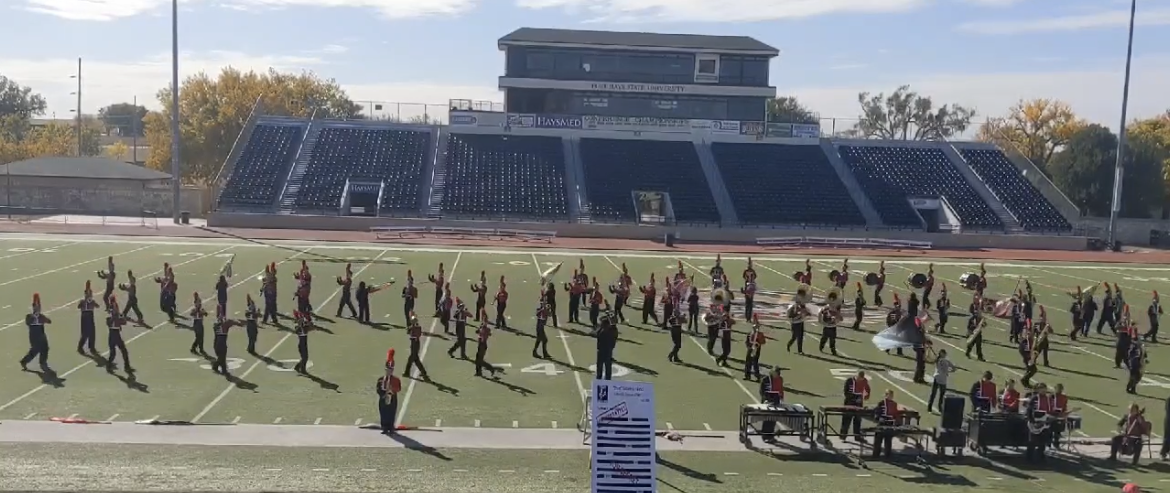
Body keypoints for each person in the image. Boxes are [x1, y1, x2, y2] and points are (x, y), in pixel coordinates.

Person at [21, 293, 52, 372]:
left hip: (42, 335)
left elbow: (49, 321)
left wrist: (44, 319)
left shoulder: (41, 316)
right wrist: (35, 317)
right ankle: (24, 361)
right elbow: (28, 322)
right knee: (35, 350)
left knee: (45, 348)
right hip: (34, 336)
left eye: (39, 307)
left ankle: (42, 362)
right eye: (36, 307)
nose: (38, 309)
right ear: (33, 308)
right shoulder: (29, 316)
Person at [376, 349, 402, 434]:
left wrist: (392, 389)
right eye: (387, 370)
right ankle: (384, 427)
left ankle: (390, 427)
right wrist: (383, 393)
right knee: (383, 413)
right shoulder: (381, 379)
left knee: (391, 412)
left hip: (392, 398)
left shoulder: (396, 379)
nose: (389, 371)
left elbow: (399, 389)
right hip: (383, 398)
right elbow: (377, 389)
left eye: (390, 370)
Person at [841, 370, 869, 442]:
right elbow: (846, 392)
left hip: (859, 402)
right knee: (846, 419)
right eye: (859, 378)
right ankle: (843, 436)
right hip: (849, 402)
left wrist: (866, 395)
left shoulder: (864, 381)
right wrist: (853, 398)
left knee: (858, 420)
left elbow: (867, 389)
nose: (860, 380)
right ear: (857, 376)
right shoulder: (849, 380)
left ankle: (857, 436)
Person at [871, 390, 900, 459]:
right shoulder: (881, 403)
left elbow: (895, 414)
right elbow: (877, 412)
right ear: (886, 395)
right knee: (878, 440)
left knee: (888, 440)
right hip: (882, 423)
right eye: (889, 395)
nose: (891, 396)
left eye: (891, 395)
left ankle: (888, 455)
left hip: (890, 424)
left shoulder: (894, 404)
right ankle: (875, 455)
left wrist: (896, 421)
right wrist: (879, 418)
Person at [928, 349, 955, 414]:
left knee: (940, 395)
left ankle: (938, 408)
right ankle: (930, 407)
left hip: (942, 379)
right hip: (938, 378)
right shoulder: (940, 360)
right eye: (944, 353)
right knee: (934, 394)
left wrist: (949, 370)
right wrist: (949, 371)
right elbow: (947, 368)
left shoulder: (945, 360)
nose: (945, 354)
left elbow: (953, 368)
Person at [77, 281, 99, 354]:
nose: (90, 295)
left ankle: (92, 347)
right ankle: (80, 347)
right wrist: (84, 302)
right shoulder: (82, 301)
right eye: (89, 294)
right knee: (85, 333)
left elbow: (97, 306)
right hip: (84, 316)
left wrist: (93, 303)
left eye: (91, 294)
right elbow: (78, 307)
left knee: (92, 332)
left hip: (90, 316)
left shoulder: (92, 301)